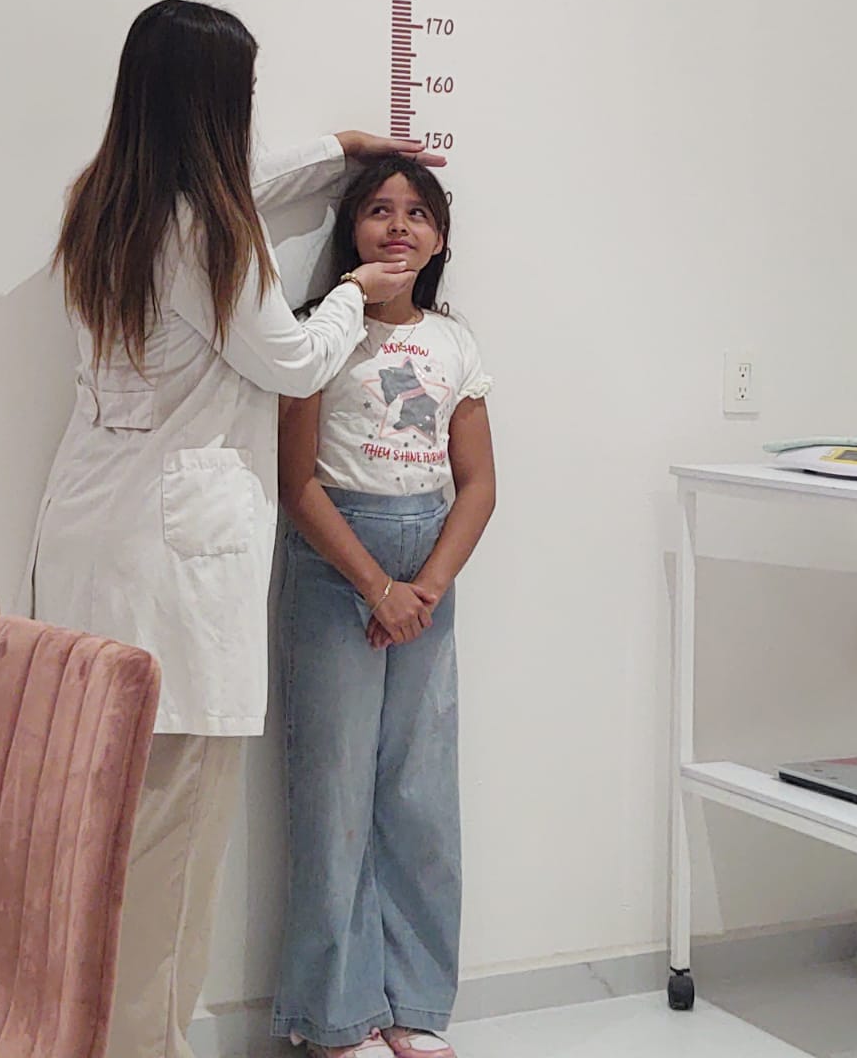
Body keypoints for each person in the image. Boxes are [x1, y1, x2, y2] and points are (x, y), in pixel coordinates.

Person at [31, 0, 443, 1058]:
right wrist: (353, 291)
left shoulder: (101, 202)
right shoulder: (208, 236)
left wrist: (338, 152)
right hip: (173, 565)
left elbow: (233, 184)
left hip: (88, 539)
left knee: (101, 830)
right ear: (214, 103)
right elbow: (294, 363)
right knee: (169, 845)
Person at [273, 156, 496, 1058]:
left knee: (420, 791)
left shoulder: (454, 341)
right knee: (333, 792)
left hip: (428, 571)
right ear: (350, 230)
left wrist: (426, 588)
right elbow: (296, 482)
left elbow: (478, 484)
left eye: (417, 213)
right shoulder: (319, 334)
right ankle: (335, 1016)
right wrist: (377, 587)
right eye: (378, 209)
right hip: (339, 567)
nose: (398, 226)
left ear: (439, 238)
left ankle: (415, 1003)